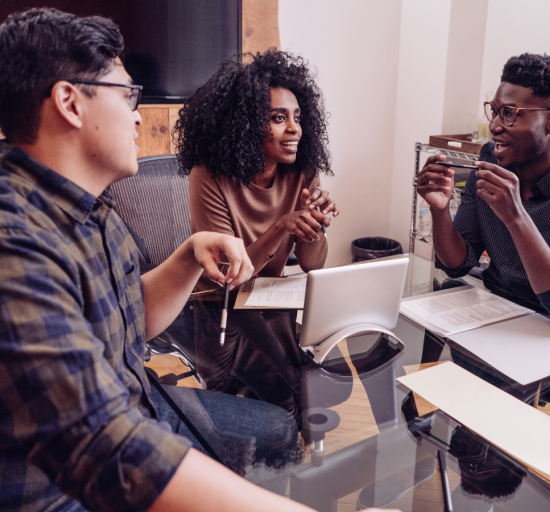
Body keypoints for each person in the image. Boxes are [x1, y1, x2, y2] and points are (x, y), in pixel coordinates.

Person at [0, 9, 395, 512]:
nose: (139, 114)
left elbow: (131, 321)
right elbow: (100, 447)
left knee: (276, 424)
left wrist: (188, 254)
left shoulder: (93, 210)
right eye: (128, 96)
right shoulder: (14, 240)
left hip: (138, 403)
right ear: (70, 102)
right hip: (55, 492)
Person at [174, 50, 337, 416]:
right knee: (288, 393)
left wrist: (313, 226)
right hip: (223, 311)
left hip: (269, 301)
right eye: (278, 118)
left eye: (297, 118)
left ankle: (301, 463)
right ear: (246, 124)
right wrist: (282, 227)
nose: (294, 129)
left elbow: (313, 265)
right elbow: (229, 276)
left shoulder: (301, 171)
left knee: (300, 394)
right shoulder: (210, 174)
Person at [416, 53, 550, 331]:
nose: (494, 126)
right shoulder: (491, 159)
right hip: (494, 312)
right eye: (496, 111)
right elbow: (458, 264)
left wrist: (516, 217)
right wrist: (439, 211)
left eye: (510, 114)